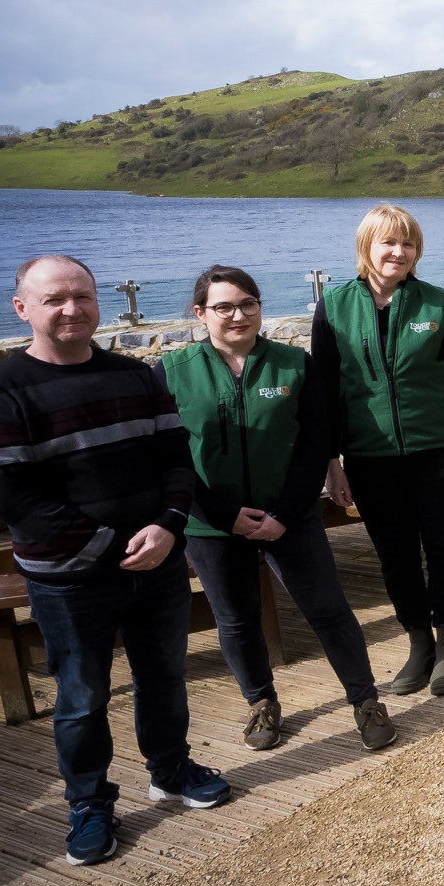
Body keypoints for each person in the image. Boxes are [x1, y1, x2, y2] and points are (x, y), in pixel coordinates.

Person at [0, 255, 230, 867]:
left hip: (156, 560)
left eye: (82, 296)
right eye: (54, 298)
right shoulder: (1, 393)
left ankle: (169, 768)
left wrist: (166, 528)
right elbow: (13, 497)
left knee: (163, 676)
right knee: (82, 696)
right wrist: (115, 547)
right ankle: (88, 802)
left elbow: (175, 456)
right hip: (68, 579)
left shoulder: (135, 376)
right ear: (22, 308)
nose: (71, 309)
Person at [163, 266, 395, 753]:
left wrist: (286, 513)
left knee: (329, 610)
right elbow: (169, 457)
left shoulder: (294, 365)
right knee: (237, 619)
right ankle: (261, 703)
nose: (239, 315)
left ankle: (366, 701)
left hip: (290, 518)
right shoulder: (170, 372)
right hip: (211, 525)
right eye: (224, 306)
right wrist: (222, 515)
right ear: (200, 313)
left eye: (249, 303)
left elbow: (315, 446)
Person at [316, 204, 444, 697]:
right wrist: (332, 462)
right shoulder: (335, 306)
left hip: (440, 450)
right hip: (370, 458)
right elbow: (325, 391)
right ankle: (419, 643)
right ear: (366, 247)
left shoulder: (436, 303)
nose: (398, 251)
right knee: (395, 556)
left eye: (407, 243)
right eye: (388, 242)